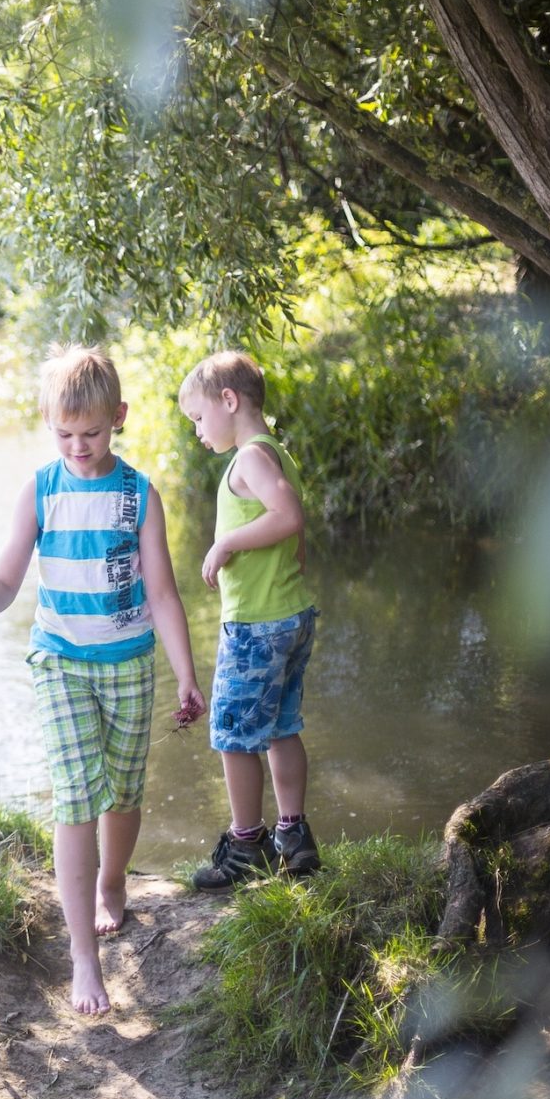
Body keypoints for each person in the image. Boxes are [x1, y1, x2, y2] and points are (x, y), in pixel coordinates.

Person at [0, 344, 204, 1015]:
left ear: (117, 418)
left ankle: (112, 882)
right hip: (59, 659)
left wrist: (185, 675)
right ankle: (83, 962)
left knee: (122, 790)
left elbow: (165, 593)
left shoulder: (138, 495)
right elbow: (6, 579)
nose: (79, 447)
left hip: (127, 662)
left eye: (90, 433)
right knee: (76, 795)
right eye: (65, 434)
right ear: (47, 421)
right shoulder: (40, 490)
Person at [177, 349, 322, 892]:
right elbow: (296, 535)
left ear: (229, 401)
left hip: (258, 624)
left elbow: (288, 515)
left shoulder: (249, 459)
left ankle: (245, 845)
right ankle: (293, 834)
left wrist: (226, 542)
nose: (196, 431)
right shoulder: (277, 453)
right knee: (282, 726)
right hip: (291, 614)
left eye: (198, 417)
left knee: (233, 735)